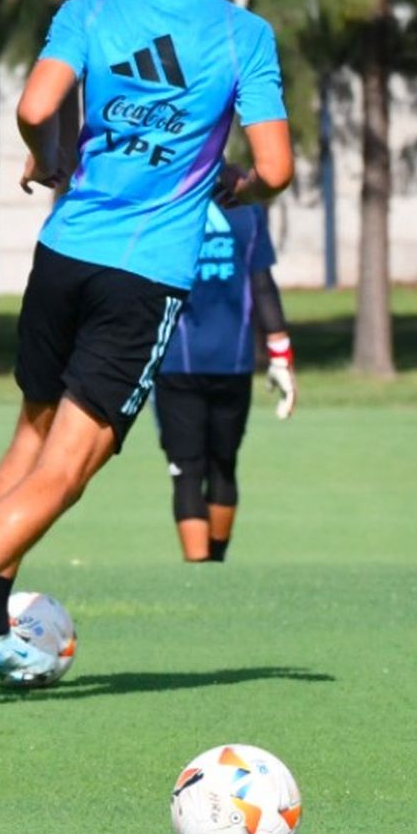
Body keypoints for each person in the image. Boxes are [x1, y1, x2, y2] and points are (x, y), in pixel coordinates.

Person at [0, 0, 292, 685]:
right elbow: (278, 164)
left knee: (32, 429)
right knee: (69, 469)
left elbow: (36, 107)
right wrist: (241, 182)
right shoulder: (241, 36)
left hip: (62, 254)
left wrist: (48, 160)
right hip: (142, 275)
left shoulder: (89, 10)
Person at [154, 200, 296, 563]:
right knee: (223, 464)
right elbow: (263, 286)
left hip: (177, 364)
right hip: (232, 363)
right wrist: (281, 355)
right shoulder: (247, 213)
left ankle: (200, 569)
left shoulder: (166, 206)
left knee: (187, 471)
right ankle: (214, 562)